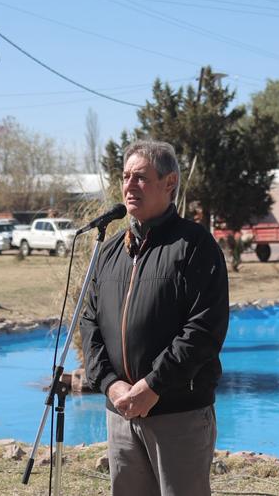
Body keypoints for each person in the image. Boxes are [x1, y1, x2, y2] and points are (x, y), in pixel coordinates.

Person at [80, 139, 230, 496]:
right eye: (126, 176)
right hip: (120, 413)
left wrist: (153, 387)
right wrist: (110, 384)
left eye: (141, 177)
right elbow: (89, 323)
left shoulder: (195, 246)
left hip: (177, 414)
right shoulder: (111, 250)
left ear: (170, 182)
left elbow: (204, 330)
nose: (130, 186)